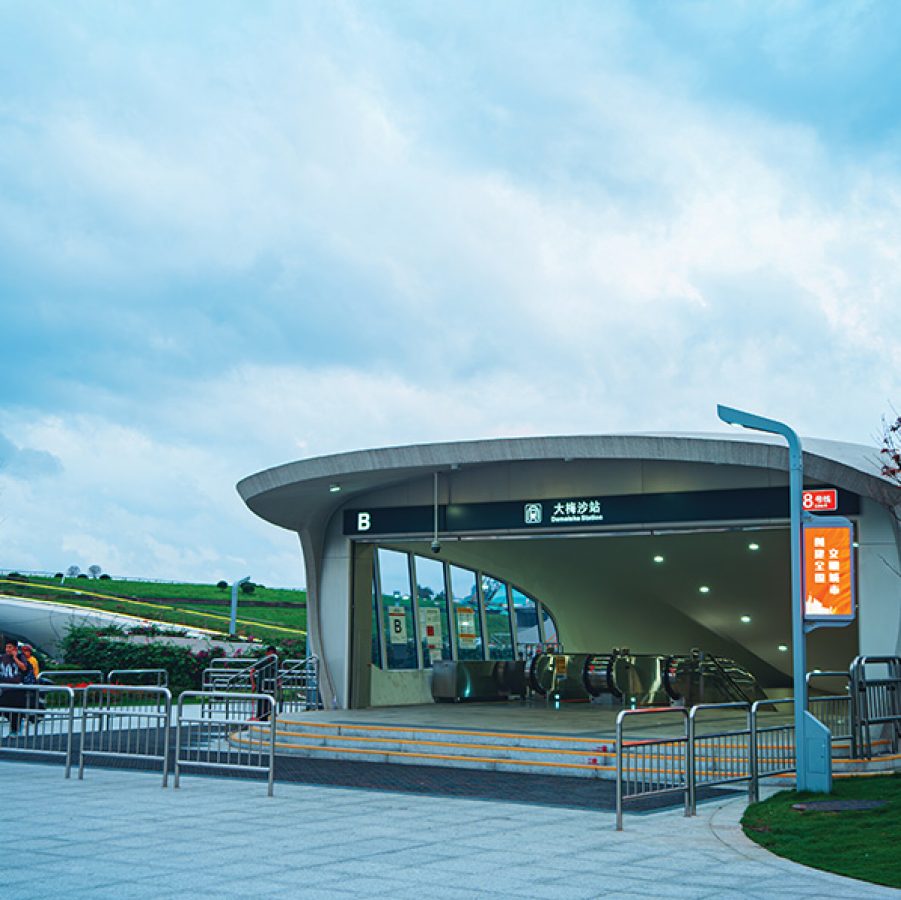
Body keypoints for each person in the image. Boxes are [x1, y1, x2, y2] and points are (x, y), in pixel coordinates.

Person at [1, 638, 30, 735]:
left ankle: (15, 730)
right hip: (5, 688)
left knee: (15, 711)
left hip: (17, 688)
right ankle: (15, 727)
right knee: (4, 708)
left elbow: (24, 668)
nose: (7, 649)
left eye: (10, 647)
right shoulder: (2, 658)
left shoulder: (21, 656)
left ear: (15, 648)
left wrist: (15, 658)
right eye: (6, 647)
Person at [250, 647, 279, 721]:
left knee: (271, 702)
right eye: (270, 653)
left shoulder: (275, 661)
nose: (271, 655)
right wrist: (253, 684)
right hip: (261, 686)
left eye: (273, 653)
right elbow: (252, 671)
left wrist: (279, 682)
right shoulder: (262, 661)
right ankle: (260, 717)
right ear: (267, 653)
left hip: (271, 686)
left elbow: (277, 673)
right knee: (261, 702)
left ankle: (269, 716)